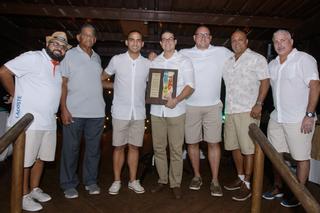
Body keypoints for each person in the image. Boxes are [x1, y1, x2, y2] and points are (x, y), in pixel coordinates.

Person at [0, 31, 71, 211]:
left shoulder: (58, 66)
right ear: (48, 44)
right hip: (28, 122)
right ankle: (22, 195)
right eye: (56, 43)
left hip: (48, 121)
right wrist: (16, 95)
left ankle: (33, 189)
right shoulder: (33, 57)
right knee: (25, 161)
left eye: (63, 47)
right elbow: (4, 72)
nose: (59, 48)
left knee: (41, 158)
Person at [263, 29, 320, 208]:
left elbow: (315, 86)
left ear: (291, 41)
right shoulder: (272, 64)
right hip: (277, 117)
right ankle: (278, 187)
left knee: (301, 158)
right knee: (275, 156)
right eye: (276, 41)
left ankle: (299, 193)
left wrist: (309, 115)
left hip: (299, 119)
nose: (280, 44)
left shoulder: (304, 59)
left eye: (283, 40)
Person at [180, 25, 232, 196]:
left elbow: (240, 59)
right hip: (190, 105)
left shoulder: (222, 52)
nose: (203, 38)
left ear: (211, 38)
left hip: (213, 106)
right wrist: (152, 57)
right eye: (199, 35)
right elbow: (166, 60)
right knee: (192, 143)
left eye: (206, 35)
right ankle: (196, 176)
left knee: (213, 143)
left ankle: (215, 180)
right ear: (194, 38)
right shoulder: (184, 53)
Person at [222, 30, 270, 201]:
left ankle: (248, 183)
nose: (236, 43)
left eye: (240, 40)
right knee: (234, 146)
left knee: (248, 149)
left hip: (248, 110)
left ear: (246, 41)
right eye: (233, 40)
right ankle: (241, 177)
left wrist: (259, 103)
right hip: (230, 110)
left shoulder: (257, 59)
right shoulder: (227, 61)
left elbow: (265, 81)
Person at [59, 24, 105, 199]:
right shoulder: (68, 55)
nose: (89, 38)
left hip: (97, 113)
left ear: (95, 39)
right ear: (78, 37)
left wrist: (122, 86)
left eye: (92, 36)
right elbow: (63, 83)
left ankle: (91, 181)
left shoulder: (97, 58)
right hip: (74, 112)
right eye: (85, 35)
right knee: (71, 149)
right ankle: (68, 184)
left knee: (93, 150)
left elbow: (98, 82)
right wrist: (63, 109)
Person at [101, 30, 150, 195]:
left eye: (138, 40)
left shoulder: (147, 63)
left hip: (139, 112)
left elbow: (156, 85)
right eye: (132, 40)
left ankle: (132, 181)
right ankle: (116, 181)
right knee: (119, 147)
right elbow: (101, 78)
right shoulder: (117, 60)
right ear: (126, 42)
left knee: (135, 147)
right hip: (120, 112)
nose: (135, 43)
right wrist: (115, 86)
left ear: (142, 44)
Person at [150, 30, 195, 199]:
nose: (167, 42)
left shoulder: (184, 61)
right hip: (156, 111)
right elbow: (150, 84)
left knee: (176, 149)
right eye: (164, 39)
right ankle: (162, 180)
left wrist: (176, 99)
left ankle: (175, 183)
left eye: (170, 39)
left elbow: (190, 85)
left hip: (176, 111)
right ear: (161, 43)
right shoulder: (155, 61)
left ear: (175, 42)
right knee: (159, 148)